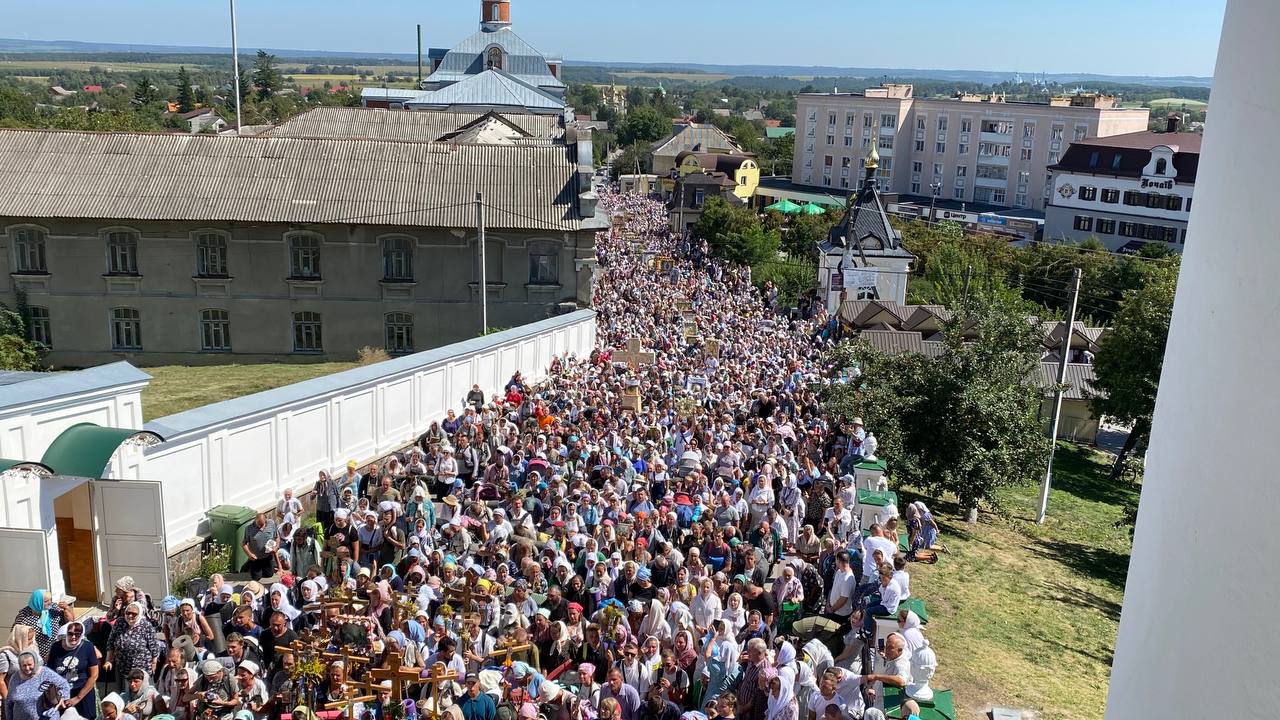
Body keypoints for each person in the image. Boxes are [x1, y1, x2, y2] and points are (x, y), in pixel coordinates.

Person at [46, 621, 101, 720]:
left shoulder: (88, 647)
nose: (74, 637)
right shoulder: (56, 647)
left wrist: (78, 698)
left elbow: (94, 675)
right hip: (61, 694)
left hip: (83, 693)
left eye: (77, 634)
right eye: (70, 633)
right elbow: (50, 674)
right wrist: (56, 698)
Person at [107, 602, 163, 692]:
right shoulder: (120, 623)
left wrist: (154, 662)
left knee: (141, 693)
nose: (130, 616)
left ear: (139, 614)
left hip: (141, 668)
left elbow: (154, 646)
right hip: (122, 667)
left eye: (134, 614)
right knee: (124, 694)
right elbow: (111, 642)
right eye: (128, 613)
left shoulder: (146, 625)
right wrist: (108, 661)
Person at [2, 650, 70, 720]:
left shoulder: (45, 673)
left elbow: (64, 684)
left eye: (29, 664)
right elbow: (9, 702)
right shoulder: (15, 677)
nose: (27, 668)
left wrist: (63, 698)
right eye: (24, 665)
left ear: (35, 663)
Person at [12, 589, 66, 659]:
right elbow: (15, 634)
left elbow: (70, 621)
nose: (50, 602)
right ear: (37, 602)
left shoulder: (53, 608)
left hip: (55, 653)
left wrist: (66, 609)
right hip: (34, 657)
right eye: (46, 601)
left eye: (50, 600)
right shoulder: (24, 614)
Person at [241, 513, 278, 581]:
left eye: (262, 525)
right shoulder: (249, 528)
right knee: (256, 578)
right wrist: (249, 554)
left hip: (267, 556)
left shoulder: (271, 524)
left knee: (269, 575)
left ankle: (261, 570)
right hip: (255, 558)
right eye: (258, 525)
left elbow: (277, 537)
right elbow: (244, 544)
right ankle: (250, 567)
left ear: (266, 520)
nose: (260, 527)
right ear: (255, 520)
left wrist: (276, 547)